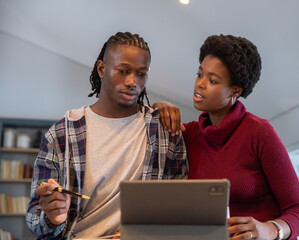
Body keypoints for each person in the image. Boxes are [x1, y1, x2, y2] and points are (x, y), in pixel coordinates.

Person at [25, 32, 188, 239]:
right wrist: (52, 217)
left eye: (141, 73)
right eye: (123, 71)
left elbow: (180, 207)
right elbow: (33, 218)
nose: (132, 81)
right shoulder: (61, 134)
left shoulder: (164, 131)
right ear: (102, 69)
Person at [154, 34, 299, 239]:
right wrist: (159, 108)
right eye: (199, 74)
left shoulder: (259, 132)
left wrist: (270, 229)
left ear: (235, 91)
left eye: (212, 80)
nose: (200, 84)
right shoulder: (189, 135)